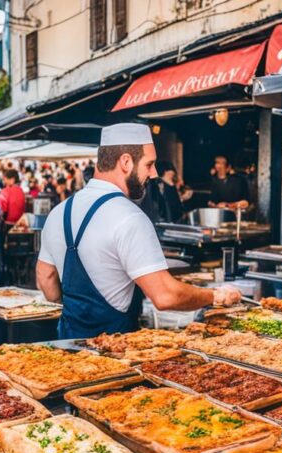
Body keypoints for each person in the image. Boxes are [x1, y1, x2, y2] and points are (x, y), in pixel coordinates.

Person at [36, 123, 242, 338]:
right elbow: (165, 296)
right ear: (125, 161)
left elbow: (46, 277)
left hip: (65, 350)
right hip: (114, 355)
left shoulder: (59, 212)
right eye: (149, 164)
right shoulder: (129, 216)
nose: (153, 173)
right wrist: (215, 296)